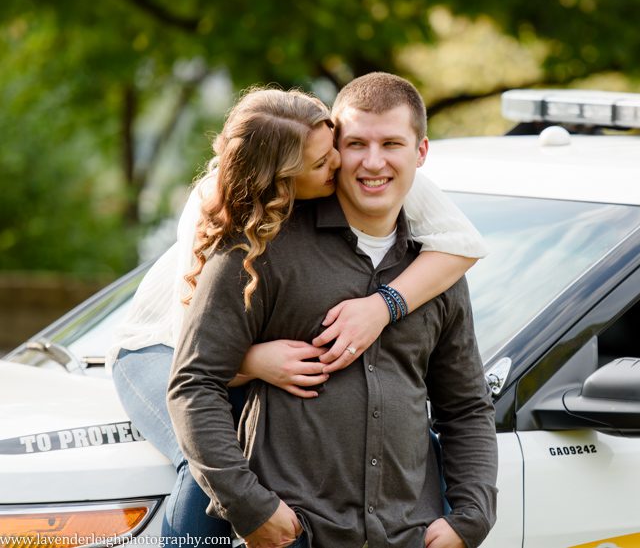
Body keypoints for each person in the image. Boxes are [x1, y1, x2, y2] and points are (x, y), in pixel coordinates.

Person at [109, 86, 487, 541]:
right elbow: (195, 368)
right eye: (341, 154)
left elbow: (466, 249)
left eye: (389, 145)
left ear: (420, 151)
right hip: (161, 338)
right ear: (288, 174)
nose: (362, 164)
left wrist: (469, 519)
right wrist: (251, 364)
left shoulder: (418, 219)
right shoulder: (236, 222)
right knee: (199, 464)